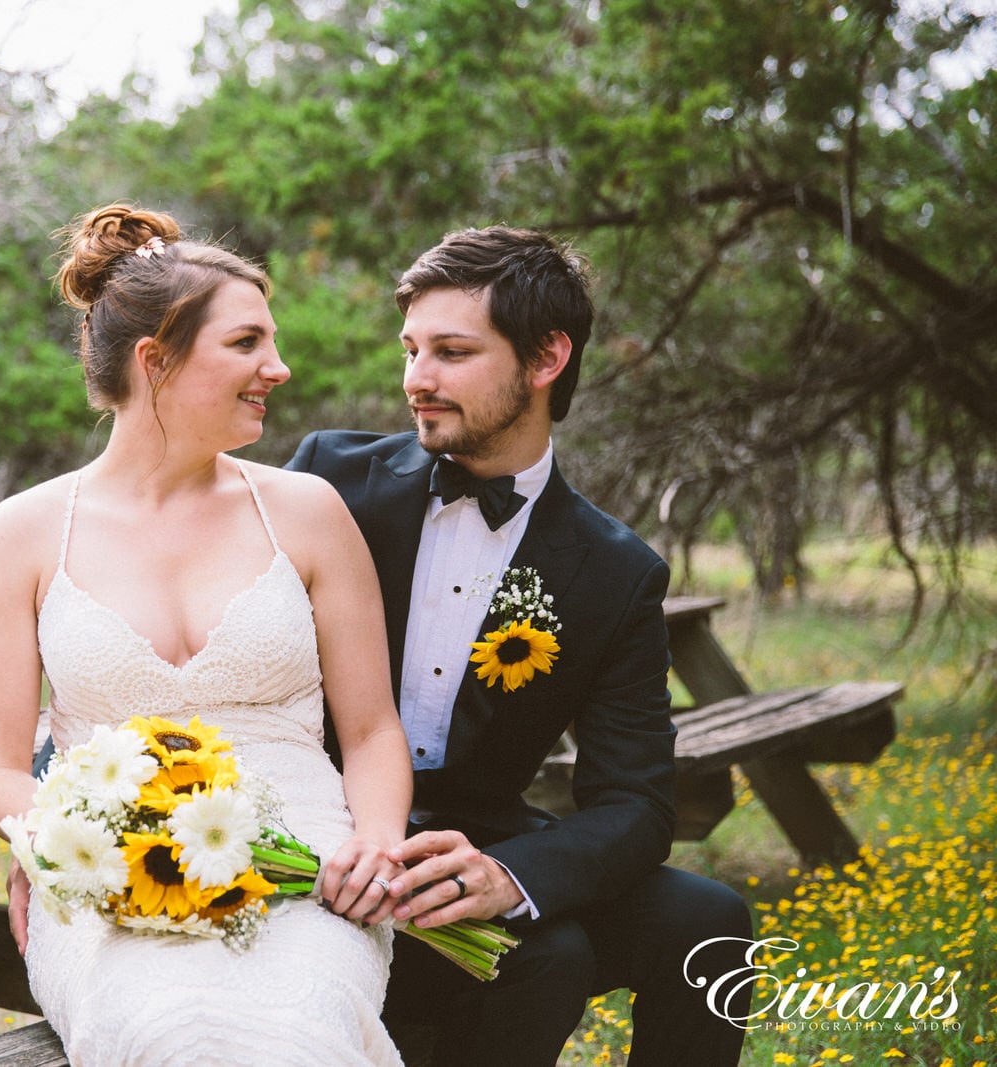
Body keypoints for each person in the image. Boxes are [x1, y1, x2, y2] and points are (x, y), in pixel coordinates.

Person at [287, 225, 754, 1065]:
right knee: (551, 955)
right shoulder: (329, 481)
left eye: (452, 352)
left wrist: (512, 876)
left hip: (482, 844)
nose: (415, 380)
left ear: (546, 359)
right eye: (411, 349)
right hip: (319, 837)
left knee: (709, 923)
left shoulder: (616, 571)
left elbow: (637, 806)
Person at [0, 204, 413, 1067]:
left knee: (299, 1029)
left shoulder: (308, 515)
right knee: (171, 1033)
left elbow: (371, 729)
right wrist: (76, 841)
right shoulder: (22, 533)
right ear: (155, 360)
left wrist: (376, 842)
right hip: (110, 892)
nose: (277, 368)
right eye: (246, 344)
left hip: (307, 875)